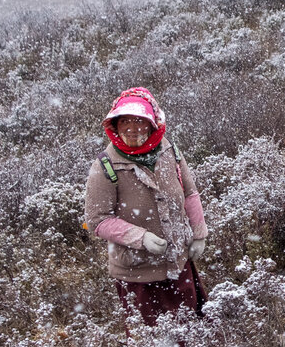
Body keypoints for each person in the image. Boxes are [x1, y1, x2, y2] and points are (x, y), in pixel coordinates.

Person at [84, 87, 209, 327]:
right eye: (125, 122)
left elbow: (190, 193)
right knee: (150, 342)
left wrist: (199, 234)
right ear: (115, 125)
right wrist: (140, 238)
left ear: (153, 124)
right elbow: (97, 220)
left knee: (191, 330)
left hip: (178, 263)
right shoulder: (105, 166)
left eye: (140, 121)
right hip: (136, 273)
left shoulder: (169, 150)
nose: (133, 129)